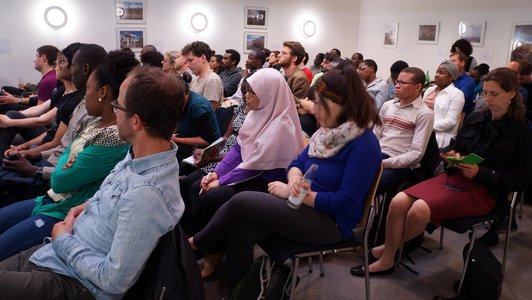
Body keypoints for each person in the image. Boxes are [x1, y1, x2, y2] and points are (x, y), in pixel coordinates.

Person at [188, 62, 382, 293]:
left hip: (332, 222)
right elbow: (296, 164)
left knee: (241, 201)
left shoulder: (363, 144)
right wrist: (294, 181)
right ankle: (239, 293)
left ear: (337, 104)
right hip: (303, 205)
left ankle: (194, 245)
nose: (313, 110)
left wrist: (295, 192)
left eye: (318, 104)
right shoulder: (328, 132)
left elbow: (345, 203)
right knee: (240, 230)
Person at [0, 66, 186, 299]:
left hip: (71, 280)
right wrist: (87, 205)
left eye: (118, 106)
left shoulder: (146, 194)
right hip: (58, 253)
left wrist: (63, 239)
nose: (113, 111)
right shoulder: (137, 156)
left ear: (136, 121)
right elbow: (106, 194)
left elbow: (113, 281)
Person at [351, 68, 531, 276]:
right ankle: (389, 254)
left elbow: (521, 181)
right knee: (399, 201)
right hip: (454, 178)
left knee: (418, 209)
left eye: (494, 94)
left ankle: (388, 253)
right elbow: (459, 148)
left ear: (512, 94)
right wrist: (451, 155)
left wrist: (480, 173)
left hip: (484, 191)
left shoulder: (522, 133)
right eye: (485, 93)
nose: (487, 99)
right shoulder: (476, 119)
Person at [0, 50, 137, 261]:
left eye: (89, 89)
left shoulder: (113, 136)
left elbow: (61, 179)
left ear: (102, 92)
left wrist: (67, 160)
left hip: (63, 211)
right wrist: (67, 159)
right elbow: (66, 150)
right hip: (50, 199)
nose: (86, 94)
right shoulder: (94, 121)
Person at [0, 44, 107, 202]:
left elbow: (59, 146)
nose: (57, 67)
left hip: (51, 174)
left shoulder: (86, 107)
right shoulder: (76, 99)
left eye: (62, 63)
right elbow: (62, 143)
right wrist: (27, 151)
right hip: (49, 163)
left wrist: (33, 163)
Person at [374, 67, 434, 194]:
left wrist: (385, 163)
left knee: (367, 183)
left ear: (418, 87)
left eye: (403, 83)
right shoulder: (387, 105)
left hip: (399, 165)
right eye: (397, 81)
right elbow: (375, 136)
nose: (396, 86)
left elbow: (416, 154)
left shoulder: (424, 113)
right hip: (377, 156)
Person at [172, 73, 221, 162]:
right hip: (185, 140)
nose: (176, 103)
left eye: (178, 99)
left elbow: (207, 140)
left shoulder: (198, 107)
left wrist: (177, 140)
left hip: (203, 150)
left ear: (187, 93)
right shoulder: (176, 101)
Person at [0, 45, 59, 113]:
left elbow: (39, 111)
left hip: (36, 112)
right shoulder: (50, 76)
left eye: (36, 56)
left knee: (2, 103)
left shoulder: (48, 80)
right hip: (36, 105)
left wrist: (16, 100)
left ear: (43, 58)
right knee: (4, 94)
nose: (34, 60)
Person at [422, 60, 465, 148]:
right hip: (422, 132)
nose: (437, 75)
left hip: (439, 137)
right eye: (437, 71)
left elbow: (450, 121)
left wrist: (426, 126)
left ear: (451, 77)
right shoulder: (430, 90)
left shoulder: (457, 94)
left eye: (441, 73)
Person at [183, 41, 224, 110]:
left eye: (190, 60)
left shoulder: (212, 80)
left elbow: (208, 113)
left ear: (202, 58)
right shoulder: (196, 79)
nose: (188, 65)